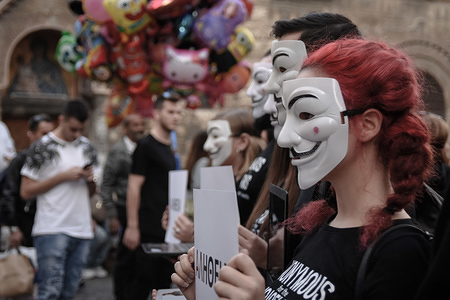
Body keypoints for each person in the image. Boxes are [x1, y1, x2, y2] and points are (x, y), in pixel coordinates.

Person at [173, 39, 433, 300]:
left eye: (307, 115)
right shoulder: (319, 225)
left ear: (368, 124)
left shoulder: (401, 249)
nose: (285, 138)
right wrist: (208, 293)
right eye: (289, 117)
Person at [20, 99, 97, 300]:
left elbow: (91, 192)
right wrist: (62, 176)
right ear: (61, 120)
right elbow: (26, 191)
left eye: (82, 129)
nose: (77, 134)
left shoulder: (86, 146)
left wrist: (90, 180)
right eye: (73, 129)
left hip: (81, 230)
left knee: (69, 292)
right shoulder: (42, 147)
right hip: (51, 229)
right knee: (49, 292)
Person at [121, 92, 182, 300]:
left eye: (178, 112)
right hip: (146, 229)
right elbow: (133, 187)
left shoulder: (169, 147)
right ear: (157, 113)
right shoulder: (146, 146)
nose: (176, 116)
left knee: (162, 286)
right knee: (139, 285)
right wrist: (132, 225)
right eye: (170, 112)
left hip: (165, 231)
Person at [100, 113, 146, 292]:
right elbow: (106, 185)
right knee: (125, 255)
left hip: (143, 210)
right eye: (135, 125)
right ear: (125, 128)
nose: (140, 128)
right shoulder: (118, 152)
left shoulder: (144, 148)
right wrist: (112, 215)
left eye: (142, 124)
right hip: (123, 209)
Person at [1, 113, 54, 248]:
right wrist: (13, 227)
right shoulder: (20, 161)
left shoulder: (56, 161)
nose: (48, 140)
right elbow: (8, 194)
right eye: (44, 134)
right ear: (31, 135)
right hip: (24, 226)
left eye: (51, 134)